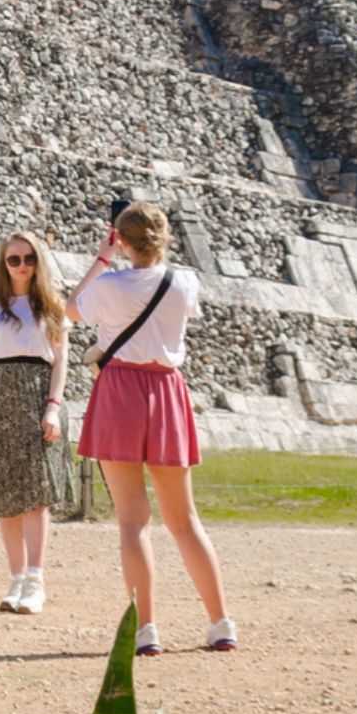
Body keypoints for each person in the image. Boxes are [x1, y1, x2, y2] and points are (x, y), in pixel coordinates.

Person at [70, 201, 235, 656]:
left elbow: (69, 311)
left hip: (120, 387)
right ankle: (221, 623)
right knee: (184, 520)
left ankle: (146, 630)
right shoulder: (185, 281)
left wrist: (103, 259)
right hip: (166, 391)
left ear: (120, 239)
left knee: (132, 520)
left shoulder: (109, 285)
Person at [0, 232, 75, 615]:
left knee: (37, 494)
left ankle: (35, 579)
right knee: (5, 498)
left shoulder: (53, 307)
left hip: (36, 396)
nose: (22, 265)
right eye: (14, 260)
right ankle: (15, 579)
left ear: (38, 262)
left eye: (29, 258)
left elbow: (61, 361)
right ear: (3, 264)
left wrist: (53, 408)